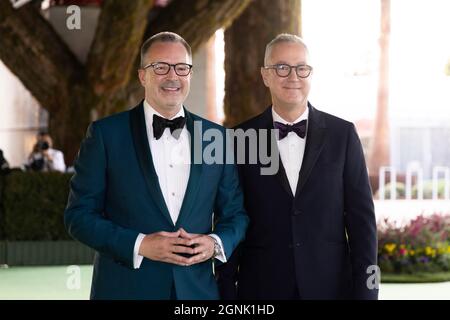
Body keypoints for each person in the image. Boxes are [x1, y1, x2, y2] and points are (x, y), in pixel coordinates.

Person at [64, 32, 248, 300]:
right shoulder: (106, 135)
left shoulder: (217, 138)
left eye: (181, 68)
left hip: (196, 294)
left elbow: (235, 215)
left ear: (190, 74)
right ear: (142, 76)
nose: (172, 76)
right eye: (160, 67)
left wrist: (214, 243)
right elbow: (78, 216)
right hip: (124, 290)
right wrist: (140, 244)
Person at [216, 34, 378, 300]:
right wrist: (225, 293)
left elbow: (363, 224)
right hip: (260, 291)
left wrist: (369, 293)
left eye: (301, 68)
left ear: (311, 74)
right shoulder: (238, 140)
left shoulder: (343, 135)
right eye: (281, 67)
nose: (293, 76)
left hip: (331, 289)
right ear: (265, 75)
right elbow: (229, 218)